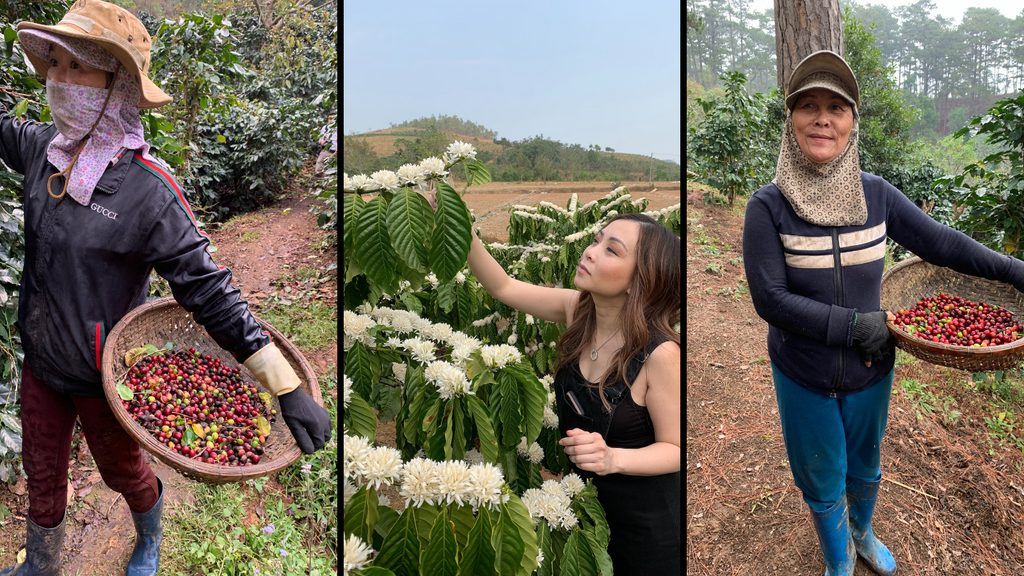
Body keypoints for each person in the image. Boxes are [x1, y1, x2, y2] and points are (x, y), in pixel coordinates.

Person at [0, 2, 332, 575]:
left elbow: (209, 291)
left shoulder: (149, 192)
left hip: (102, 373)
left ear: (117, 85)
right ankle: (41, 565)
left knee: (121, 470)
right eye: (52, 64)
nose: (57, 79)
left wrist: (283, 383)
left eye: (74, 66)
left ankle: (148, 536)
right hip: (40, 361)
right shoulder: (40, 151)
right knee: (42, 469)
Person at [742, 50, 1024, 576]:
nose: (822, 117)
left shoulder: (876, 196)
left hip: (871, 367)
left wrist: (1013, 271)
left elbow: (943, 243)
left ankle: (862, 532)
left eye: (836, 107)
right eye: (808, 105)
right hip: (803, 371)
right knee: (822, 474)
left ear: (852, 123)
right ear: (791, 120)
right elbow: (770, 299)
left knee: (866, 464)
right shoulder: (768, 207)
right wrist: (852, 324)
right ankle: (837, 559)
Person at [466, 212, 681, 575]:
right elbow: (502, 287)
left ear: (640, 281)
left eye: (612, 251)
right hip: (587, 514)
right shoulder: (578, 311)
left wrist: (613, 458)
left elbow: (676, 449)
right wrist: (458, 226)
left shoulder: (660, 355)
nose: (591, 252)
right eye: (596, 240)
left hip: (649, 531)